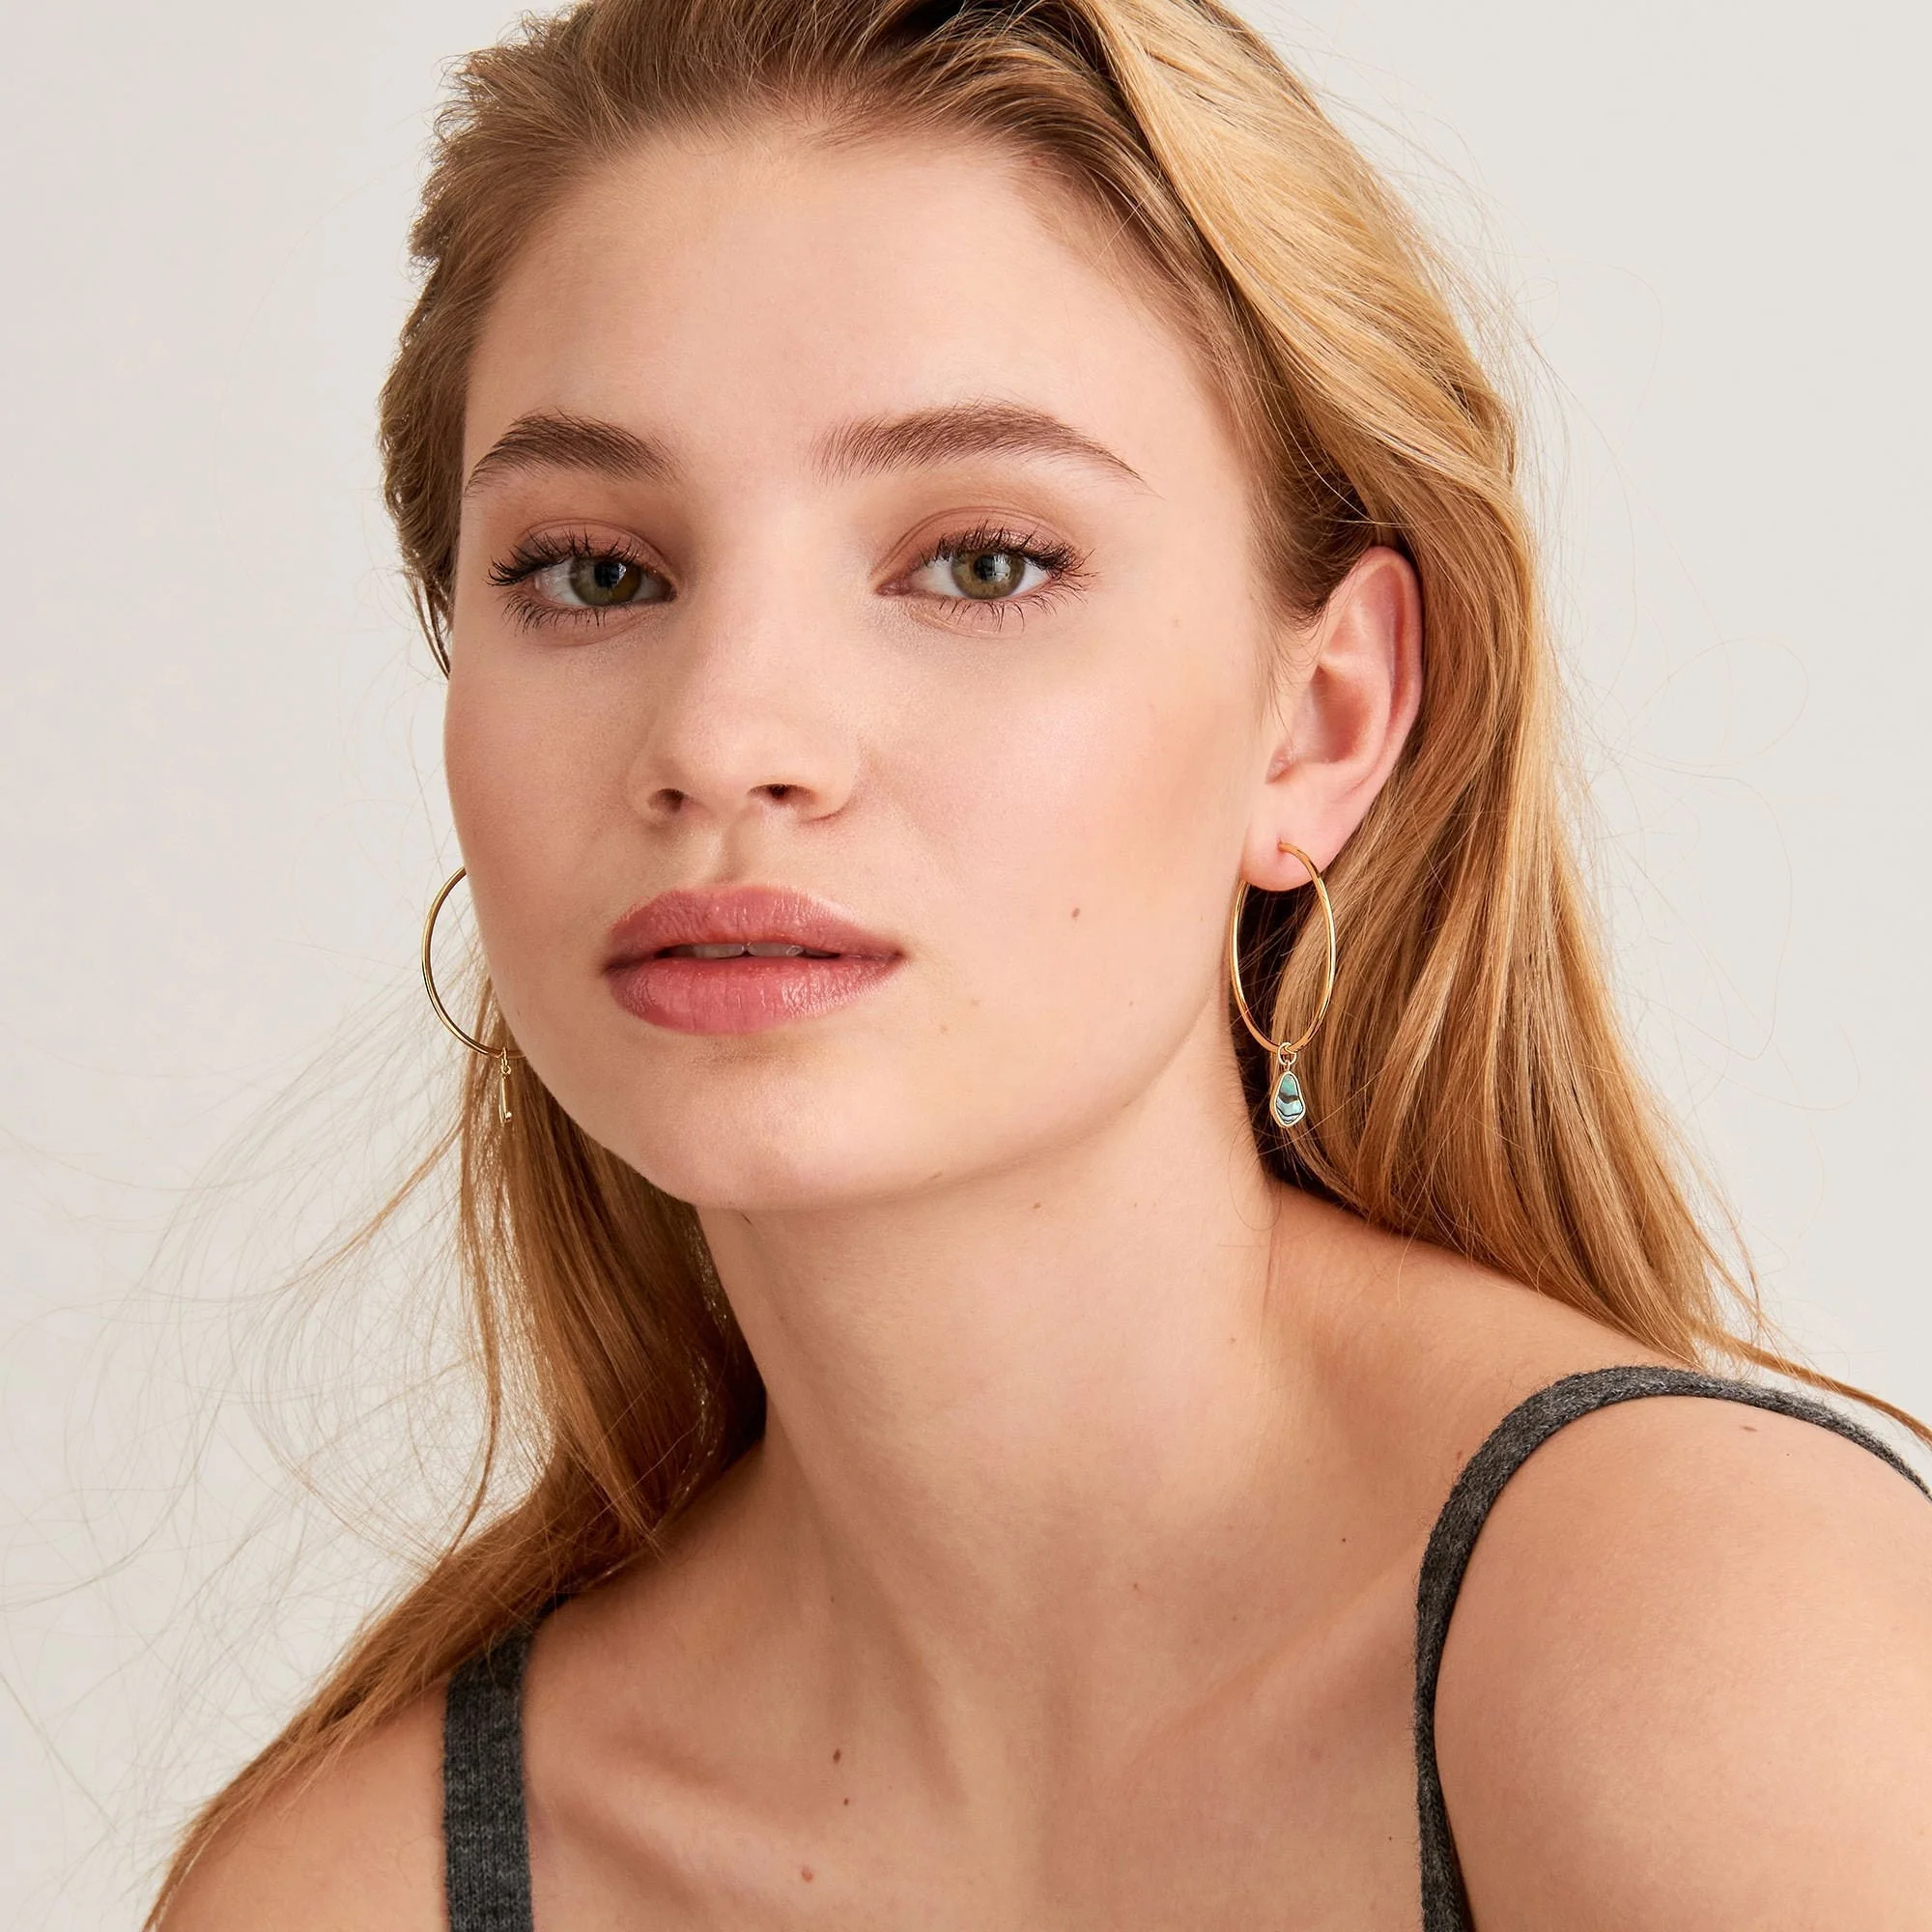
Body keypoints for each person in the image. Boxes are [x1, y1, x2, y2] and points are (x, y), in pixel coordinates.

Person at [154, 1, 1932, 1925]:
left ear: (1322, 720)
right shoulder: (350, 1890)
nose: (723, 735)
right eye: (596, 572)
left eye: (983, 561)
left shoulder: (1716, 1665)